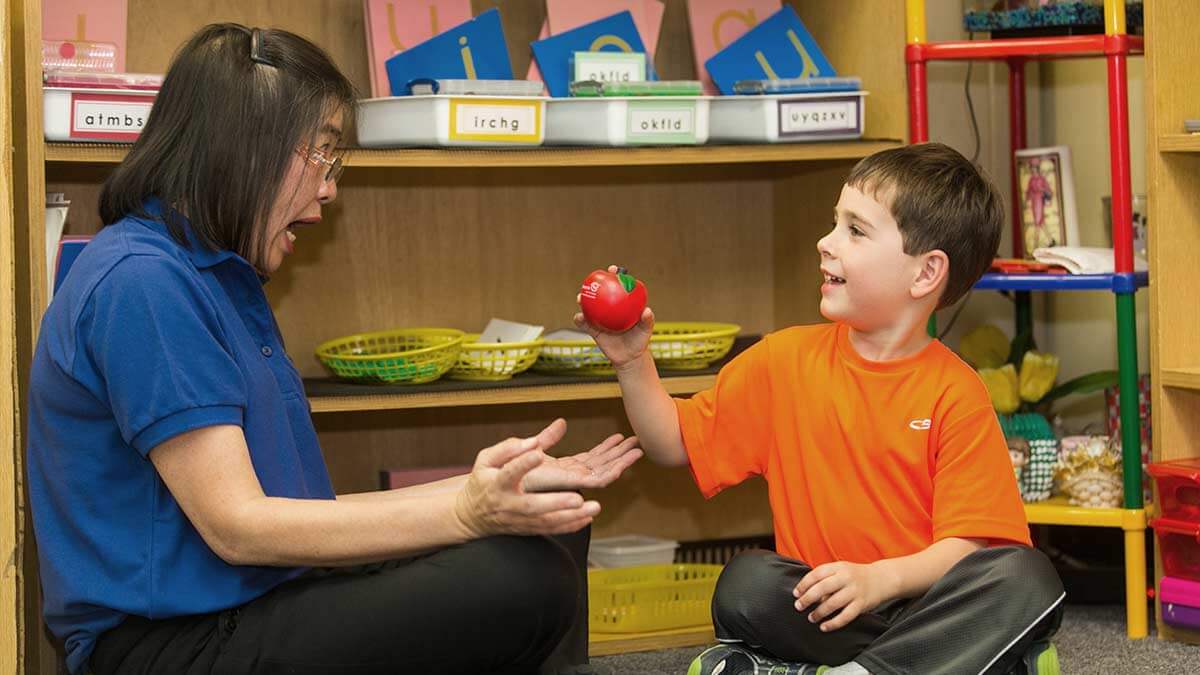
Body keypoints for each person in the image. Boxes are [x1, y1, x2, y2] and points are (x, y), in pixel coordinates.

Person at [26, 24, 641, 675]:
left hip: (258, 596)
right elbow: (239, 525)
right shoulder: (144, 282)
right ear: (246, 151)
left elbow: (298, 519)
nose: (329, 190)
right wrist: (466, 509)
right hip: (166, 645)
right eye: (320, 156)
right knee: (521, 579)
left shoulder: (218, 274)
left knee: (550, 520)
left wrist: (489, 492)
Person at [577, 143, 1065, 675]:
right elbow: (672, 441)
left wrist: (880, 580)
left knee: (1028, 579)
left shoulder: (957, 393)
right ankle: (951, 662)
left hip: (925, 601)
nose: (825, 242)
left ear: (925, 275)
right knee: (746, 585)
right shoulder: (784, 360)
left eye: (855, 230)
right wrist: (631, 362)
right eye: (836, 222)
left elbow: (968, 547)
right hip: (827, 605)